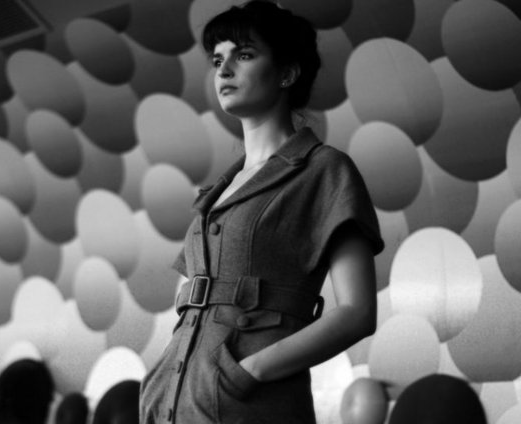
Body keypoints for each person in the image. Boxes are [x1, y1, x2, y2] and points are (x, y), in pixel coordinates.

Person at [139, 1, 384, 423]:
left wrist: (248, 372)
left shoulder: (324, 170)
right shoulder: (216, 193)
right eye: (218, 60)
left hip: (249, 405)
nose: (224, 70)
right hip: (172, 403)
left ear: (287, 73)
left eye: (245, 55)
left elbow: (357, 313)